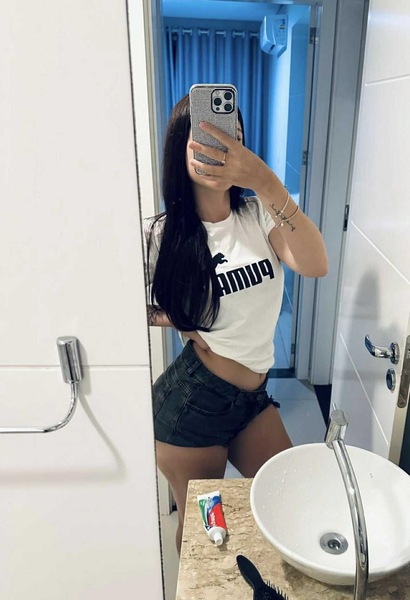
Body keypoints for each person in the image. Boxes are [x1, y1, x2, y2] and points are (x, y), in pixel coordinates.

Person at [144, 93, 328, 554]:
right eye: (205, 140)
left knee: (292, 501)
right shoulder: (162, 235)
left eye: (232, 139)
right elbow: (124, 308)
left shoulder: (259, 214)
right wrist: (179, 319)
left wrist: (264, 181)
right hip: (191, 409)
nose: (222, 150)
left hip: (251, 401)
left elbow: (315, 264)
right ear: (180, 149)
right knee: (209, 538)